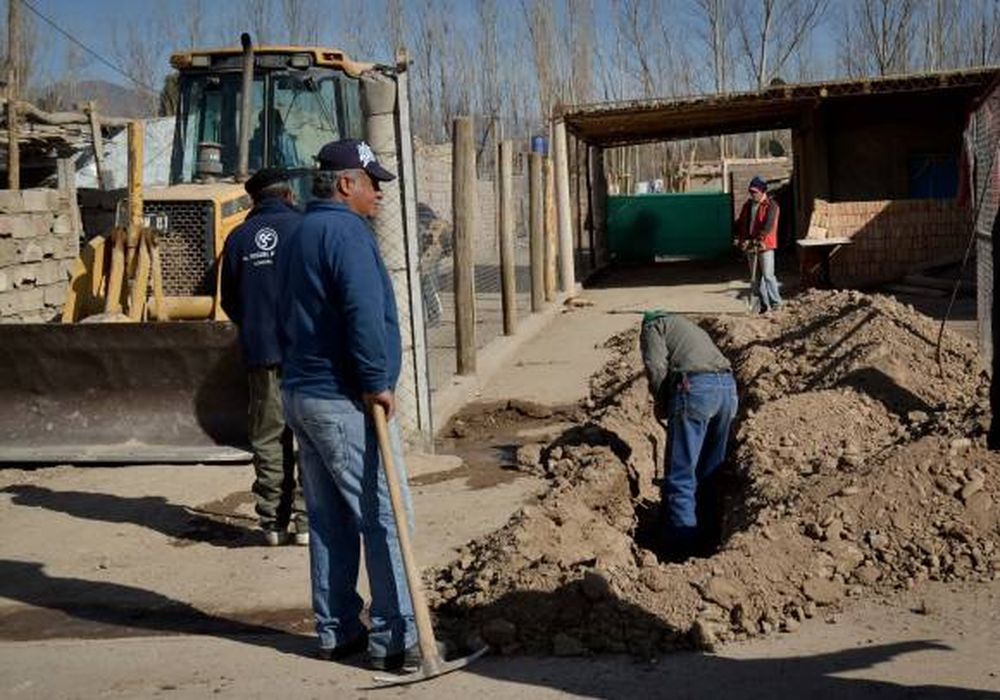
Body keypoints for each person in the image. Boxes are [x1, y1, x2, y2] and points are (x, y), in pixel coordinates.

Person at [277, 139, 420, 670]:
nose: (379, 192)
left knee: (329, 518)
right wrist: (376, 380)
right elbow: (363, 310)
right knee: (383, 513)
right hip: (341, 397)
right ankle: (398, 636)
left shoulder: (299, 232)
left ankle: (338, 630)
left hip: (301, 393)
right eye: (372, 182)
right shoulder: (347, 233)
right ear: (345, 184)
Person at [220, 168, 308, 547]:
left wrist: (255, 328)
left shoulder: (238, 238)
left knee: (269, 437)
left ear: (254, 201)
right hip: (307, 354)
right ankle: (307, 520)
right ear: (289, 195)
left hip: (262, 354)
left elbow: (229, 301)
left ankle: (273, 523)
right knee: (309, 436)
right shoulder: (306, 230)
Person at [639, 311, 738, 561]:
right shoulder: (687, 328)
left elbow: (656, 366)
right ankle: (709, 540)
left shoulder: (653, 326)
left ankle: (679, 552)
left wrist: (662, 404)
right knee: (710, 472)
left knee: (680, 476)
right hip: (727, 389)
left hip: (695, 390)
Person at [734, 175, 782, 313]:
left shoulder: (771, 206)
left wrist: (759, 238)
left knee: (768, 275)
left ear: (763, 191)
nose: (752, 194)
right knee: (756, 278)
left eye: (755, 192)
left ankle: (776, 303)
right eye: (751, 191)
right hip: (750, 245)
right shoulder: (748, 206)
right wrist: (740, 238)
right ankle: (762, 305)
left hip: (765, 245)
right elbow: (742, 223)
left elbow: (769, 225)